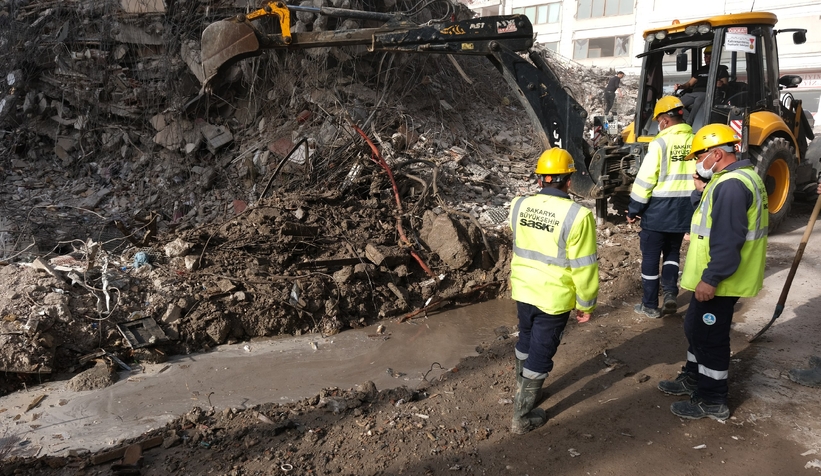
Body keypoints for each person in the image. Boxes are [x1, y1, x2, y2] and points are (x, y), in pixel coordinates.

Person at [657, 124, 768, 421]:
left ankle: (712, 398)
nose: (697, 162)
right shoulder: (732, 180)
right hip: (718, 277)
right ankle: (694, 377)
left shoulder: (732, 185)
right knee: (696, 329)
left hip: (722, 280)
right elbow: (707, 218)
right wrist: (700, 191)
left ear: (717, 153)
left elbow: (727, 237)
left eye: (700, 156)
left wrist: (711, 278)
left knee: (709, 337)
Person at [508, 148, 599, 434]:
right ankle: (521, 416)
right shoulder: (578, 216)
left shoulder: (518, 205)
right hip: (553, 296)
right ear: (569, 181)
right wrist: (586, 303)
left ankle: (525, 390)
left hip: (523, 289)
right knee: (542, 352)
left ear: (540, 180)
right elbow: (584, 267)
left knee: (526, 338)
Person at [626, 96, 695, 318]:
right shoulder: (695, 140)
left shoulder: (660, 143)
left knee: (650, 259)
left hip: (658, 211)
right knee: (673, 253)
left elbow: (645, 180)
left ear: (665, 120)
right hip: (684, 210)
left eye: (658, 121)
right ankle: (671, 294)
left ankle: (649, 305)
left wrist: (634, 209)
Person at [675, 46, 729, 124]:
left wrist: (721, 84)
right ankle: (684, 121)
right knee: (676, 104)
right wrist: (681, 86)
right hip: (694, 93)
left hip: (708, 94)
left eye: (709, 56)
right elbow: (689, 83)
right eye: (705, 57)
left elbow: (725, 83)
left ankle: (690, 122)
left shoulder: (721, 70)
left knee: (699, 99)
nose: (707, 59)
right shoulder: (701, 70)